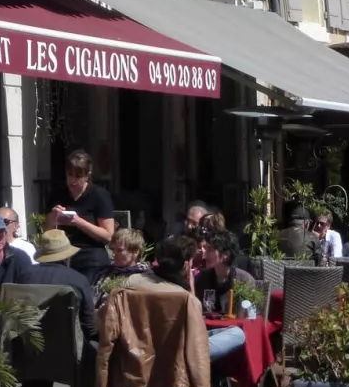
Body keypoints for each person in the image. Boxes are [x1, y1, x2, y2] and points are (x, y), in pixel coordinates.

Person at [131, 234, 244, 362]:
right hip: (176, 350)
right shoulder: (183, 296)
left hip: (140, 345)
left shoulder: (132, 281)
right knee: (237, 334)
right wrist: (191, 289)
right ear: (186, 265)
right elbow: (196, 326)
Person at [46, 150, 115, 281]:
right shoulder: (58, 194)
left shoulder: (99, 195)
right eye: (70, 175)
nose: (72, 180)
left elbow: (108, 236)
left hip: (91, 258)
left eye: (78, 176)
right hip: (62, 256)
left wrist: (78, 222)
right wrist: (53, 217)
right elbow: (47, 232)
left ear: (87, 175)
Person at [18, 229, 98, 340]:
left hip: (26, 346)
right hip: (68, 348)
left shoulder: (24, 276)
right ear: (67, 256)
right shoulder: (78, 280)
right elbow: (88, 324)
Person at [193, 231, 256, 315]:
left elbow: (248, 315)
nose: (205, 253)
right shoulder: (202, 278)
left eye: (210, 249)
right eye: (205, 248)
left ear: (225, 255)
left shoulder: (245, 280)